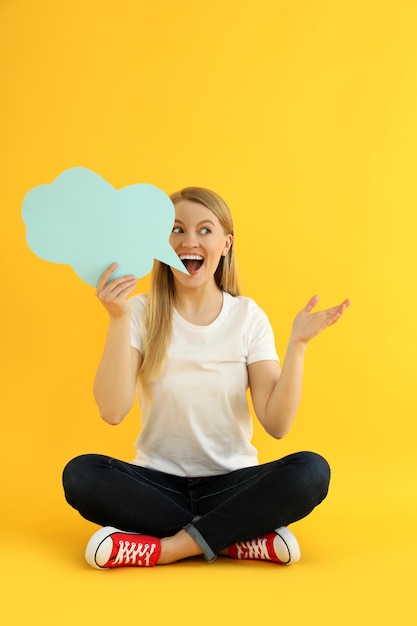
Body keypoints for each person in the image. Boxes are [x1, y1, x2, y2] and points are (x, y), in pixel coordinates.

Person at [63, 186, 350, 569]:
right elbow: (112, 411)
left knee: (310, 472)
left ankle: (167, 549)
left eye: (204, 230)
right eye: (177, 230)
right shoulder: (139, 311)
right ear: (160, 241)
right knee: (81, 475)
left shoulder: (248, 317)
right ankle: (234, 539)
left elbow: (277, 424)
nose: (189, 241)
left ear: (225, 243)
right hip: (157, 485)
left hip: (232, 484)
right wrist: (117, 319)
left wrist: (297, 345)